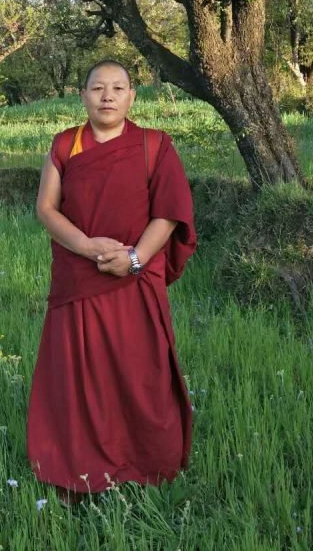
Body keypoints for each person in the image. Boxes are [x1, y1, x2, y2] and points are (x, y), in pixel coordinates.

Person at [27, 59, 197, 505]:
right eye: (97, 88)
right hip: (79, 277)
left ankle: (146, 465)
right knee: (77, 376)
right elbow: (47, 209)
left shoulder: (154, 145)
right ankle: (76, 470)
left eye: (118, 88)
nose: (107, 96)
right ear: (82, 95)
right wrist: (87, 248)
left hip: (133, 280)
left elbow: (169, 213)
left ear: (131, 97)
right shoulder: (65, 144)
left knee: (141, 373)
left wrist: (135, 258)